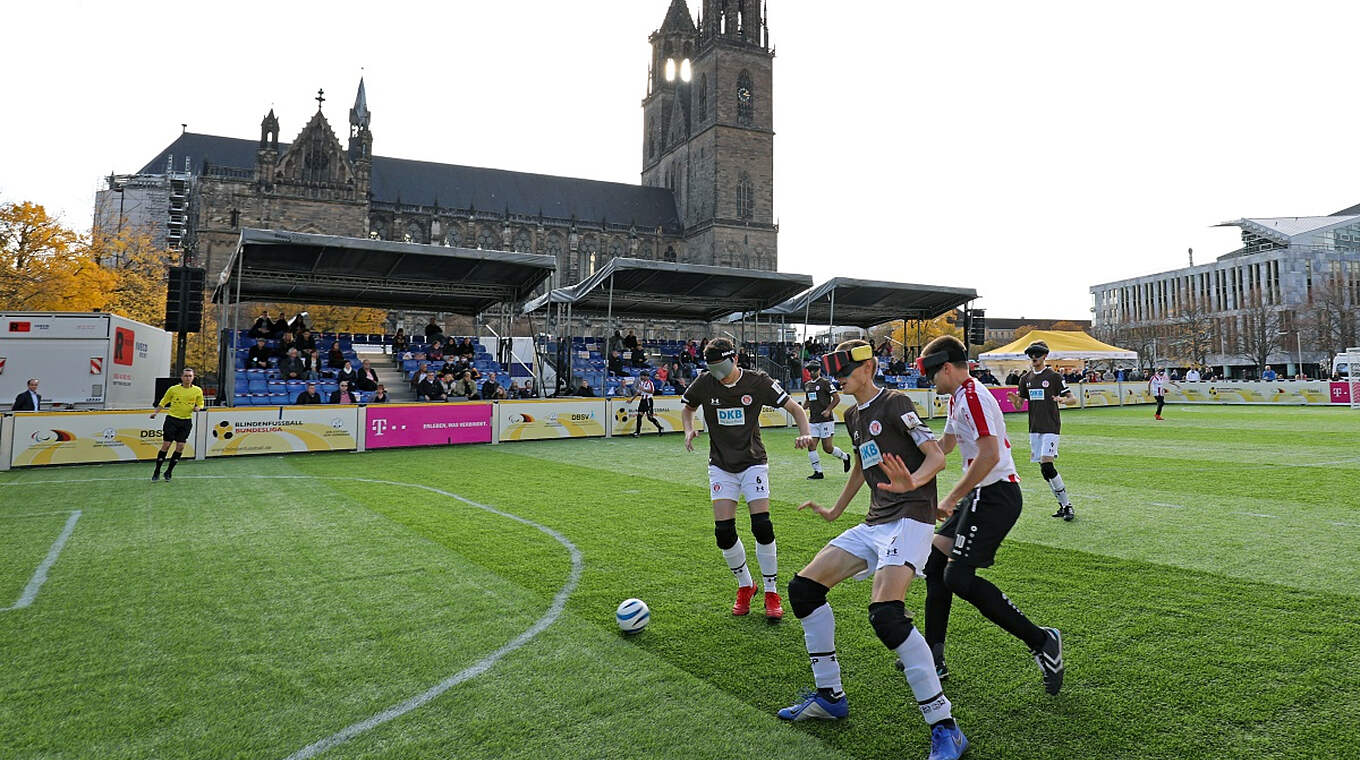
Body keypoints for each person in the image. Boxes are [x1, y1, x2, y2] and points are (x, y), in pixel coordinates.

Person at [915, 335, 1064, 695]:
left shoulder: (974, 397)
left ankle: (1043, 641)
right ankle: (932, 657)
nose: (931, 383)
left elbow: (989, 456)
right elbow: (947, 445)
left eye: (932, 375)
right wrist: (912, 446)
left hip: (994, 495)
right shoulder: (959, 396)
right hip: (981, 494)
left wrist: (951, 497)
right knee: (935, 565)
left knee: (958, 579)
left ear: (947, 368)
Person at [680, 338, 815, 620]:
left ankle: (771, 590)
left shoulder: (758, 382)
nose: (717, 372)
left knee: (762, 526)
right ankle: (746, 585)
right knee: (724, 533)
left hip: (753, 462)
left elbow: (796, 408)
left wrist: (805, 432)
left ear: (735, 359)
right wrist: (688, 429)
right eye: (712, 367)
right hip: (720, 465)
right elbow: (688, 407)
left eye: (721, 365)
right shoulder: (705, 383)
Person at [1007, 341, 1079, 521]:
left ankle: (1068, 505)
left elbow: (1073, 399)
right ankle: (1063, 505)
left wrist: (1062, 400)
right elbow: (1019, 405)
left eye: (1037, 354)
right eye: (1031, 354)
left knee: (1047, 464)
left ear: (1045, 356)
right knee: (1044, 470)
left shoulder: (1053, 377)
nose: (1033, 358)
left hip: (1051, 426)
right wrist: (1014, 399)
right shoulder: (1025, 379)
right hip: (1034, 428)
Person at [150, 367, 204, 482]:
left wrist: (198, 408)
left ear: (193, 377)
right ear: (181, 377)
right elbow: (164, 401)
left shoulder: (197, 390)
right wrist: (155, 413)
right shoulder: (173, 389)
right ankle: (157, 471)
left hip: (186, 421)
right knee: (166, 445)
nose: (188, 378)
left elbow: (200, 403)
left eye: (190, 376)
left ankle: (169, 472)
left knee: (180, 447)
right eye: (186, 376)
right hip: (172, 420)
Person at [802, 360, 853, 479]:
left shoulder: (825, 383)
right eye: (809, 370)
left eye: (814, 370)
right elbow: (808, 400)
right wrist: (801, 408)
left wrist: (828, 410)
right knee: (811, 445)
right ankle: (818, 472)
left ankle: (845, 457)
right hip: (813, 420)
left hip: (826, 421)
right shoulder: (808, 385)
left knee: (827, 448)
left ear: (819, 370)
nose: (811, 372)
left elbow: (836, 398)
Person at [628, 371, 665, 437]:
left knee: (650, 417)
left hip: (648, 401)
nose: (641, 377)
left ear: (645, 376)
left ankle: (660, 428)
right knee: (639, 416)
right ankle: (637, 432)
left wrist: (644, 389)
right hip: (642, 400)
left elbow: (652, 391)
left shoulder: (650, 383)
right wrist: (632, 399)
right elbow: (638, 392)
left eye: (642, 376)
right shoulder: (641, 383)